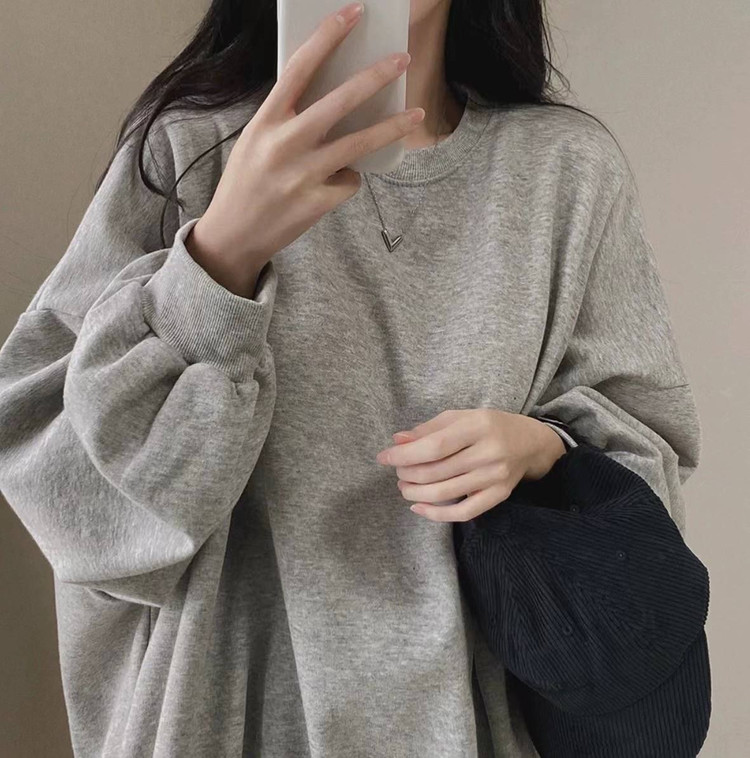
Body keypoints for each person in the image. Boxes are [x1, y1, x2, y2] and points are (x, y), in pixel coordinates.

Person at [0, 1, 702, 756]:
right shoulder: (191, 146)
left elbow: (649, 467)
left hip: (468, 723)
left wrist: (543, 449)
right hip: (222, 712)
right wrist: (219, 259)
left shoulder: (567, 170)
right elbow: (67, 494)